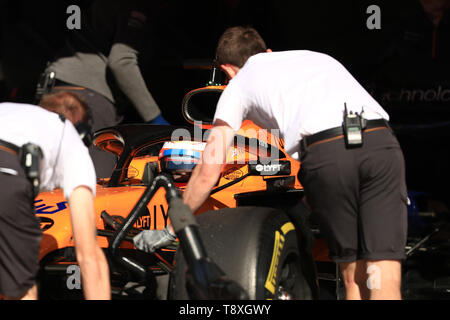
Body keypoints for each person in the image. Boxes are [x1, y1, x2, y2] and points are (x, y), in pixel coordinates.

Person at [181, 26, 408, 300]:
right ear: (267, 52)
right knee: (384, 273)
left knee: (355, 278)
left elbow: (208, 170)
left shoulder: (238, 84)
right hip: (380, 143)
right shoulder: (317, 57)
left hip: (330, 151)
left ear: (228, 70)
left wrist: (175, 224)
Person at [0, 91, 110, 300]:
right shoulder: (65, 131)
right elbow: (89, 255)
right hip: (6, 177)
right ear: (82, 131)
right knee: (22, 290)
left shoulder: (6, 110)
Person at [44, 0, 169, 178]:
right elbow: (122, 62)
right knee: (98, 181)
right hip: (87, 99)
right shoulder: (134, 6)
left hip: (56, 89)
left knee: (52, 179)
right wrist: (155, 118)